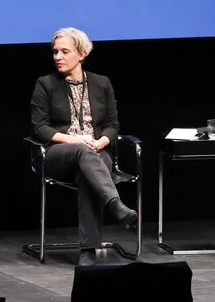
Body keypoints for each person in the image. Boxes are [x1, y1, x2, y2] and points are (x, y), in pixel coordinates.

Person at [29, 27, 137, 266]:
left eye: (64, 51)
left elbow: (112, 124)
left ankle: (88, 250)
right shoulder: (45, 84)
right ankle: (114, 204)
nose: (57, 56)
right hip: (59, 153)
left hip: (98, 152)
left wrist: (102, 141)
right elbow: (40, 128)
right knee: (83, 152)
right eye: (55, 51)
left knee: (88, 172)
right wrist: (75, 140)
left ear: (81, 53)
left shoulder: (102, 83)